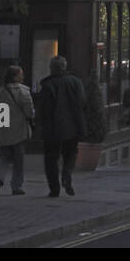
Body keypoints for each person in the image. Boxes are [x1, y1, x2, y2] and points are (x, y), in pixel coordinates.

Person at [38, 55, 87, 197]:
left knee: (51, 159)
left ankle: (54, 189)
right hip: (72, 126)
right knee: (71, 153)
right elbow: (82, 102)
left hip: (52, 128)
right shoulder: (76, 82)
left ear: (51, 68)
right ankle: (66, 174)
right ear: (64, 67)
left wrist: (42, 125)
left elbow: (44, 109)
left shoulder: (47, 85)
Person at [0, 64, 34, 196]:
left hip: (3, 128)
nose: (23, 76)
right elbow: (29, 112)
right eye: (20, 74)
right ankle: (16, 186)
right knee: (19, 159)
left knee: (3, 157)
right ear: (15, 76)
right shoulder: (23, 91)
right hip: (18, 130)